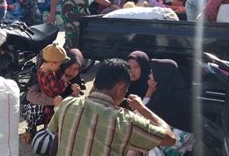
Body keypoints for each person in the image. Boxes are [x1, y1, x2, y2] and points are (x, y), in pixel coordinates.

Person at [48, 58, 176, 155]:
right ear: (121, 87)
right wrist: (142, 108)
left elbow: (56, 140)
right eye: (126, 89)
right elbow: (170, 139)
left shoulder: (67, 103)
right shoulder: (125, 121)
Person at [20, 43, 71, 144]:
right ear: (52, 63)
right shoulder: (49, 77)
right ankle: (49, 140)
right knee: (51, 121)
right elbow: (57, 91)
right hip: (49, 104)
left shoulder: (42, 68)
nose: (60, 66)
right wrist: (63, 82)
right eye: (59, 64)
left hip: (45, 101)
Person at [145, 59, 195, 155]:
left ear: (161, 74)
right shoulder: (178, 92)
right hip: (181, 142)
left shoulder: (164, 96)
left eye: (152, 73)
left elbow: (141, 112)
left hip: (173, 141)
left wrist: (150, 90)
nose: (149, 76)